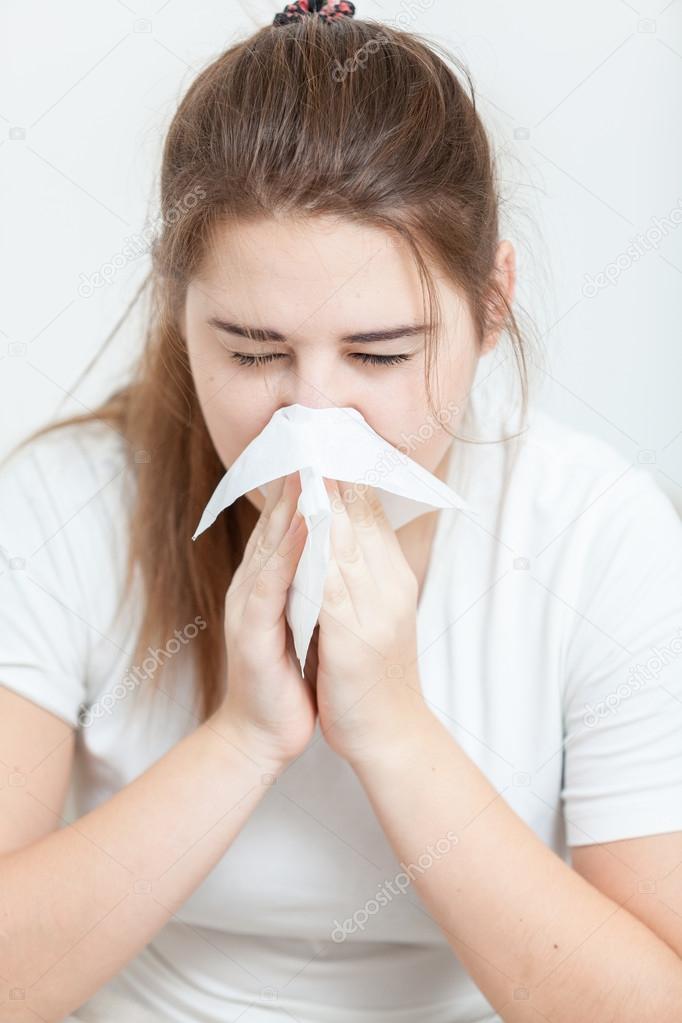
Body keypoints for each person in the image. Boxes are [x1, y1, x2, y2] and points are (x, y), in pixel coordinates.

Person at [2, 3, 682, 1021]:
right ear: (175, 308)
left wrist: (398, 736)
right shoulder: (66, 506)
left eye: (380, 355)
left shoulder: (597, 541)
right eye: (253, 352)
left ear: (490, 305)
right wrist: (241, 739)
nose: (313, 416)